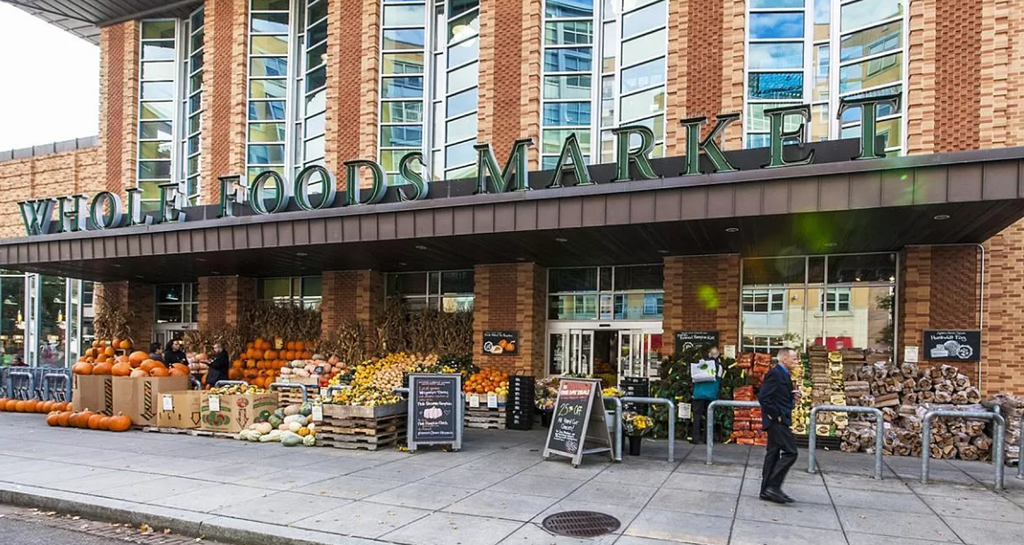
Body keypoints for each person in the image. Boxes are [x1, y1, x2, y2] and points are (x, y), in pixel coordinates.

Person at [758, 347, 801, 504]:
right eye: (794, 359)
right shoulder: (775, 373)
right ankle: (773, 487)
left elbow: (776, 395)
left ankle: (766, 490)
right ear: (784, 359)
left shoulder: (783, 374)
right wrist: (776, 415)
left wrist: (791, 398)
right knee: (791, 452)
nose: (796, 361)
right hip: (777, 421)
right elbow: (763, 397)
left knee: (773, 454)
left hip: (779, 419)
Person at [691, 346, 724, 444]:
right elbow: (719, 378)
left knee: (697, 417)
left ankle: (695, 438)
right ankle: (707, 439)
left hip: (699, 394)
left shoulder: (700, 364)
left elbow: (693, 376)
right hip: (711, 395)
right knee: (709, 417)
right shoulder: (719, 366)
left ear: (709, 354)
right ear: (717, 355)